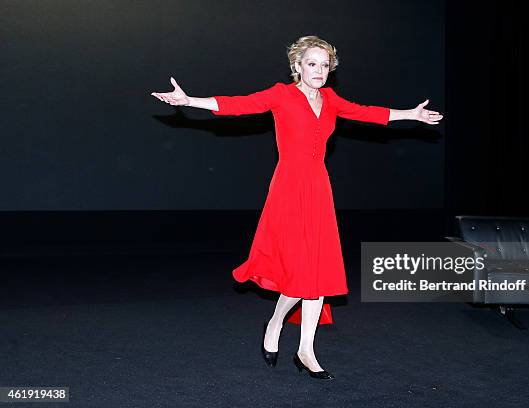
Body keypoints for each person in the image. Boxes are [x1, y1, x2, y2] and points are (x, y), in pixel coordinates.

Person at [151, 35, 443, 380]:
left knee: (317, 269)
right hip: (289, 187)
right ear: (298, 67)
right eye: (311, 63)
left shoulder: (331, 99)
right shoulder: (281, 94)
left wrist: (411, 114)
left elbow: (367, 113)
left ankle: (306, 349)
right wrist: (188, 101)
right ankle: (275, 323)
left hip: (319, 187)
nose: (319, 70)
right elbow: (236, 104)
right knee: (299, 269)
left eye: (324, 65)